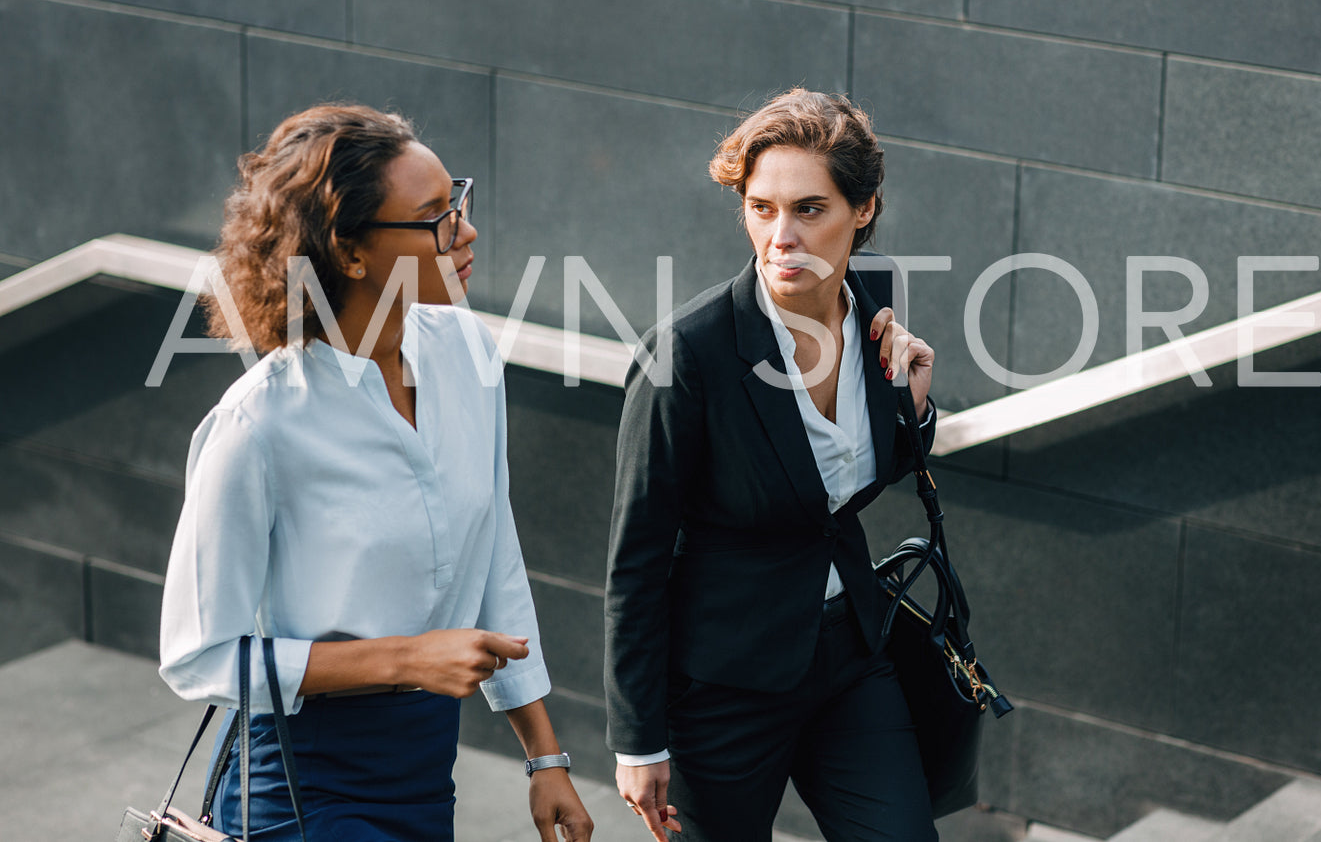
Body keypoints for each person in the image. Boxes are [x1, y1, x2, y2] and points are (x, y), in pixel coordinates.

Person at [158, 104, 594, 842]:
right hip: (299, 780)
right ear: (351, 252)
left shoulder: (466, 350)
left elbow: (496, 558)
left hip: (424, 766)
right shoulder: (260, 424)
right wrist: (407, 658)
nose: (466, 231)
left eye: (457, 201)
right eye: (433, 218)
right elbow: (198, 655)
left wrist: (543, 753)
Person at [605, 89, 940, 842]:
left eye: (809, 209)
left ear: (863, 209)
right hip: (724, 680)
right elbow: (637, 556)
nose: (780, 236)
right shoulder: (688, 351)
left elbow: (840, 487)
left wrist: (911, 413)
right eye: (761, 208)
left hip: (849, 659)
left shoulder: (872, 300)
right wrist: (638, 736)